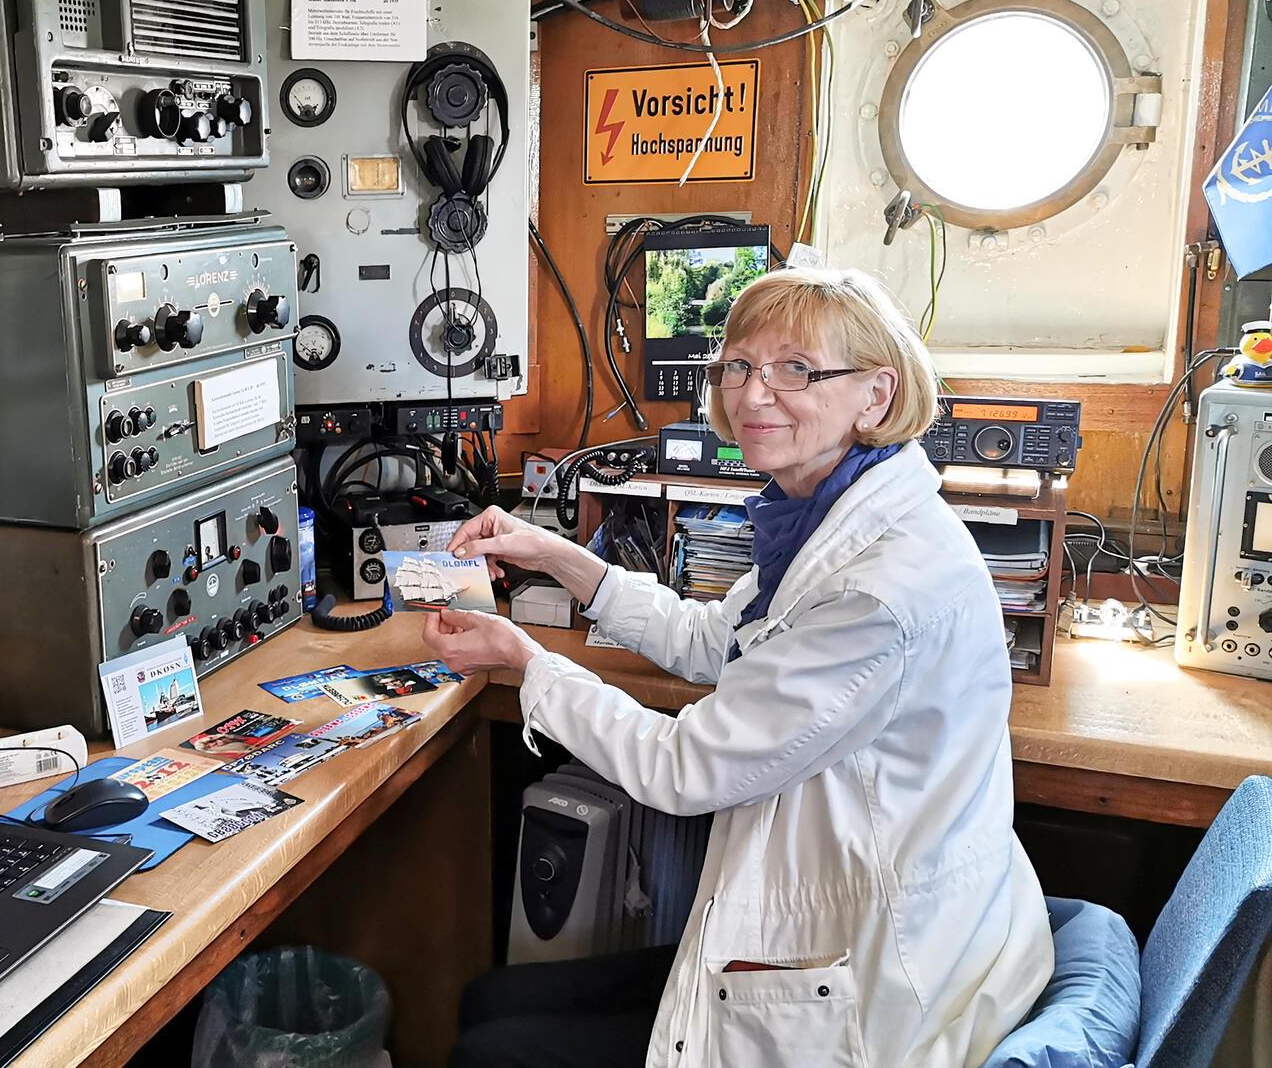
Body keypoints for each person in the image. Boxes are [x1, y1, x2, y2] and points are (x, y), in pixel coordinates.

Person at [426, 268, 1053, 1068]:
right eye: (738, 366)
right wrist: (558, 555)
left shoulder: (878, 586)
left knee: (491, 1049)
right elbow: (714, 643)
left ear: (875, 395)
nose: (754, 394)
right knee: (487, 1001)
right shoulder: (820, 515)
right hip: (848, 914)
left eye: (797, 369)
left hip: (872, 974)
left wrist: (527, 661)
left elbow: (685, 766)